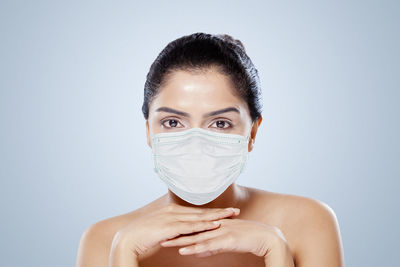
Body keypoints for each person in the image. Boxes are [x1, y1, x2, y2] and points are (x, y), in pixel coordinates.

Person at [76, 32, 344, 267]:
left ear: (252, 133)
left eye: (220, 123)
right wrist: (124, 253)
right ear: (149, 132)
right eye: (172, 122)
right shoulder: (105, 239)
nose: (196, 142)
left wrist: (276, 250)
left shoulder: (307, 222)